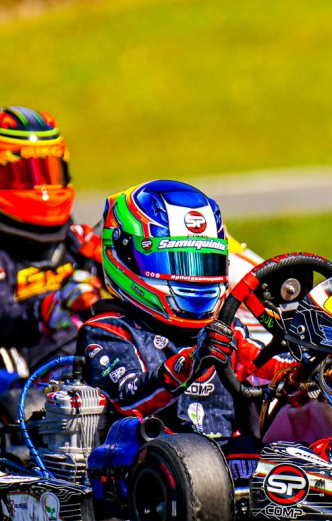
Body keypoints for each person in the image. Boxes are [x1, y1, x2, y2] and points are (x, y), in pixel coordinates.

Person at [76, 179, 305, 439]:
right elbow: (130, 399)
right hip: (148, 465)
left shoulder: (225, 330)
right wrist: (192, 361)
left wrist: (315, 367)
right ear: (127, 257)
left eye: (205, 263)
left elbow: (269, 368)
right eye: (178, 263)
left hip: (233, 466)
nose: (194, 278)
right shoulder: (108, 331)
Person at [0, 106, 104, 371]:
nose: (41, 187)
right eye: (24, 176)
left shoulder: (77, 239)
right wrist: (51, 308)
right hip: (20, 380)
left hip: (91, 361)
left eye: (48, 172)